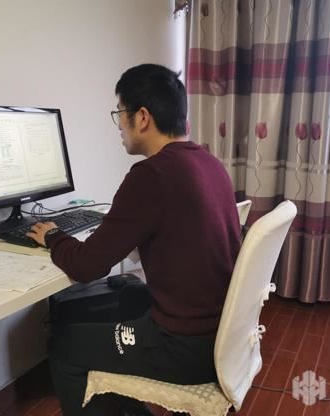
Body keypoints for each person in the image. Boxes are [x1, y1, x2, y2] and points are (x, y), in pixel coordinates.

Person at [27, 64, 241, 416]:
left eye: (120, 114)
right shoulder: (208, 163)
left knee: (63, 346)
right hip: (221, 337)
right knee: (128, 295)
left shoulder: (151, 175)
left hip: (183, 347)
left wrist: (52, 235)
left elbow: (87, 266)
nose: (119, 126)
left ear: (142, 117)